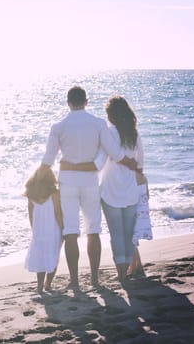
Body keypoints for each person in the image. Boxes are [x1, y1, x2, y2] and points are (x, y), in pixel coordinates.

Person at [40, 87, 137, 289]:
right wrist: (130, 163)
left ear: (68, 103)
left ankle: (74, 281)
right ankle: (94, 279)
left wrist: (39, 179)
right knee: (93, 230)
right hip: (91, 182)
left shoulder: (58, 127)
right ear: (86, 101)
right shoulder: (98, 124)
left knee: (71, 232)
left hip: (67, 182)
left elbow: (48, 159)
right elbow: (114, 153)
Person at [61, 95, 144, 286]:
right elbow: (141, 163)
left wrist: (74, 167)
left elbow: (99, 162)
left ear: (110, 115)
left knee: (116, 234)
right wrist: (141, 183)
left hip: (110, 191)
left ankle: (122, 274)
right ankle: (132, 268)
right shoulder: (135, 134)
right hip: (130, 190)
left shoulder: (108, 133)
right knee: (128, 233)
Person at [24, 166, 64, 295]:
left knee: (41, 258)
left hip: (39, 230)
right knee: (53, 256)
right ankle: (48, 284)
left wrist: (34, 230)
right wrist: (63, 228)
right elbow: (58, 213)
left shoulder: (31, 195)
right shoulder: (54, 193)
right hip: (53, 229)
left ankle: (39, 286)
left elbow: (30, 215)